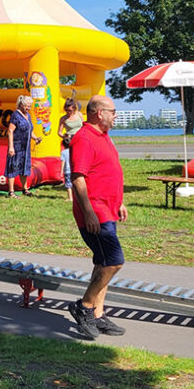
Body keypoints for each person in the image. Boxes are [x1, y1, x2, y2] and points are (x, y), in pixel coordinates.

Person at [67, 95, 128, 339]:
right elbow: (78, 178)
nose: (116, 115)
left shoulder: (103, 137)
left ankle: (98, 314)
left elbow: (107, 170)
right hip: (95, 213)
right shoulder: (83, 138)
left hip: (108, 209)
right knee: (114, 261)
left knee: (103, 262)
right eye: (113, 111)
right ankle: (84, 307)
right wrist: (89, 211)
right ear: (99, 113)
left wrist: (120, 202)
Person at [5, 95, 41, 197]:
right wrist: (11, 147)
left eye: (30, 106)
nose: (28, 108)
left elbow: (29, 129)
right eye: (27, 106)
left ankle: (25, 189)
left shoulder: (28, 115)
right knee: (13, 167)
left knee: (24, 167)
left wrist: (35, 138)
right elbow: (10, 131)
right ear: (22, 104)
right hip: (16, 145)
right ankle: (11, 192)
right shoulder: (15, 115)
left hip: (26, 147)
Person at [57, 97, 83, 204]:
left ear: (74, 108)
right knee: (71, 161)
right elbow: (59, 132)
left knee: (81, 160)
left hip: (80, 139)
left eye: (71, 110)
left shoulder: (79, 115)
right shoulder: (63, 119)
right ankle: (71, 183)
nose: (69, 112)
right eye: (67, 110)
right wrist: (65, 137)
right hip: (70, 139)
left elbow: (84, 126)